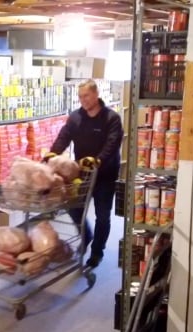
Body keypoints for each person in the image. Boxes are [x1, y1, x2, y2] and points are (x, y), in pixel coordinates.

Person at [51, 79, 124, 268]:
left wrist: (98, 159)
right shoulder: (76, 117)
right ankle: (86, 235)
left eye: (87, 96)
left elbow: (113, 143)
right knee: (73, 207)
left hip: (105, 174)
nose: (83, 100)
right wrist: (52, 154)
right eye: (80, 96)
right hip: (81, 173)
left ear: (96, 94)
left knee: (102, 215)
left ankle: (97, 252)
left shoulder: (111, 118)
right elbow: (64, 136)